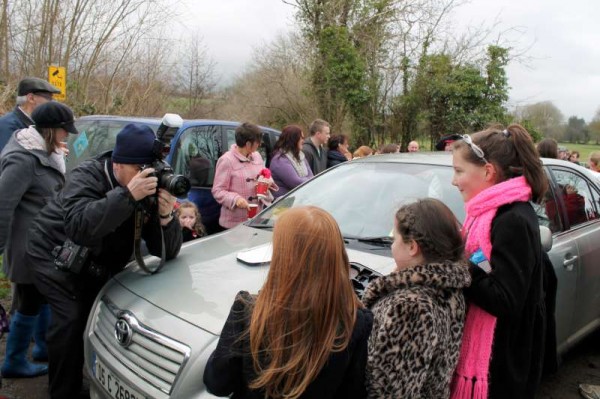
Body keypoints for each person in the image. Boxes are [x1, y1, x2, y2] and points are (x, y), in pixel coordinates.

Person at [26, 123, 182, 398]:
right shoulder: (87, 176)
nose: (147, 179)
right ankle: (64, 391)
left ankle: (100, 373)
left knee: (103, 316)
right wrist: (128, 196)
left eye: (151, 172)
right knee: (71, 322)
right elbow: (79, 227)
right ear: (118, 164)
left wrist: (167, 217)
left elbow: (165, 250)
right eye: (139, 171)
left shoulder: (146, 187)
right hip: (52, 253)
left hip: (92, 262)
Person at [203, 206, 373, 399]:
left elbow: (217, 383)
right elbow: (353, 392)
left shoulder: (249, 309)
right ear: (335, 255)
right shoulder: (355, 321)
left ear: (284, 257)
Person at [450, 124, 549, 399]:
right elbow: (489, 267)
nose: (453, 180)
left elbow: (505, 299)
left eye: (459, 171)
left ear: (488, 171)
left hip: (501, 368)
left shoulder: (513, 219)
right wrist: (472, 260)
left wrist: (461, 264)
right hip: (499, 359)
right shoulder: (487, 213)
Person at [0, 102, 78, 378]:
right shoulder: (22, 159)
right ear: (48, 130)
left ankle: (44, 347)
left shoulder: (47, 152)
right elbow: (3, 205)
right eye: (63, 130)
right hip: (26, 246)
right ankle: (14, 360)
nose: (67, 135)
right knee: (29, 301)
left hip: (44, 243)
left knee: (44, 296)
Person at [363, 198, 470, 398]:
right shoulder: (446, 287)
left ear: (412, 247)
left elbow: (391, 390)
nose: (392, 245)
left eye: (394, 239)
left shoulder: (409, 306)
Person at [212, 122, 276, 229]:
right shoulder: (226, 160)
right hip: (233, 224)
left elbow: (265, 173)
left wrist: (268, 181)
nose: (259, 144)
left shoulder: (257, 156)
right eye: (257, 142)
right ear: (248, 144)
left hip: (256, 219)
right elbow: (217, 191)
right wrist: (235, 199)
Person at [0, 77, 60, 151]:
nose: (52, 103)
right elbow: (7, 160)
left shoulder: (38, 123)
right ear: (31, 98)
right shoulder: (7, 126)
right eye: (49, 98)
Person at [270, 125, 313, 198]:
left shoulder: (301, 156)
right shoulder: (280, 160)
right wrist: (308, 179)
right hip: (283, 204)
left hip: (297, 200)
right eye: (301, 138)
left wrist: (308, 180)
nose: (304, 141)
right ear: (293, 140)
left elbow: (312, 177)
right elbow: (296, 183)